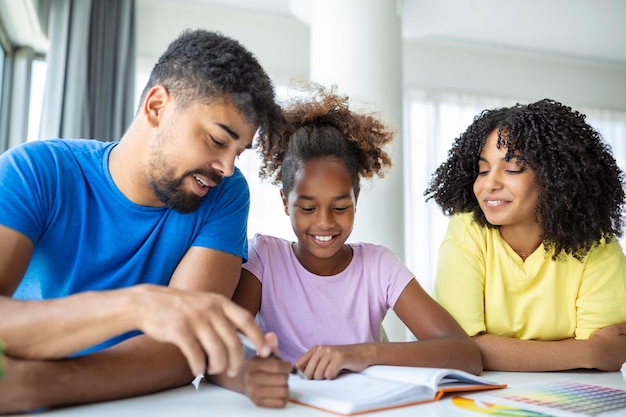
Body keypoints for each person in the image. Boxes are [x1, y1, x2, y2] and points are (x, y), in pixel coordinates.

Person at [0, 29, 285, 413]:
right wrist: (136, 306)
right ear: (156, 106)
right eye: (218, 141)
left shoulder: (226, 195)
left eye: (239, 152)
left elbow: (186, 352)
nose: (227, 168)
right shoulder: (35, 171)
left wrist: (39, 383)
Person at [211, 84, 483, 408]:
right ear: (285, 202)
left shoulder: (379, 266)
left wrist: (362, 353)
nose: (324, 223)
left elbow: (465, 355)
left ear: (356, 199)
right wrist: (246, 378)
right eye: (308, 208)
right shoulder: (264, 259)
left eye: (340, 207)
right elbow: (217, 351)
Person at [424, 98, 626, 372]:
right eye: (483, 170)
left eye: (512, 169)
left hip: (569, 397)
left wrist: (489, 348)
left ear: (556, 177)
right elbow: (458, 348)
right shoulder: (467, 230)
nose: (490, 183)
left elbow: (608, 354)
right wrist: (585, 352)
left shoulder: (597, 245)